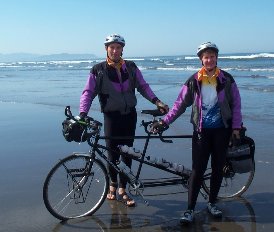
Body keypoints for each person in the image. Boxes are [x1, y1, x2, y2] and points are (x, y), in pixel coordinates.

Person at [152, 42, 242, 223]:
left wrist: (236, 128)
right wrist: (165, 121)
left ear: (216, 58)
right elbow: (179, 105)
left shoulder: (227, 79)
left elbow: (236, 105)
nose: (209, 60)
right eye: (206, 57)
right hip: (201, 132)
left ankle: (212, 203)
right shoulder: (194, 80)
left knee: (218, 169)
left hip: (221, 131)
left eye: (212, 56)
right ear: (201, 59)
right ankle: (189, 210)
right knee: (197, 171)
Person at [79, 34, 169, 207]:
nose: (115, 50)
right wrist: (83, 113)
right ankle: (112, 185)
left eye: (118, 47)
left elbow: (143, 86)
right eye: (111, 47)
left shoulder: (131, 67)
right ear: (106, 49)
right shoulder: (98, 70)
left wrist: (157, 101)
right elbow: (88, 93)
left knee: (128, 153)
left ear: (122, 49)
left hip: (129, 116)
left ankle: (123, 188)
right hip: (111, 117)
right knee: (112, 153)